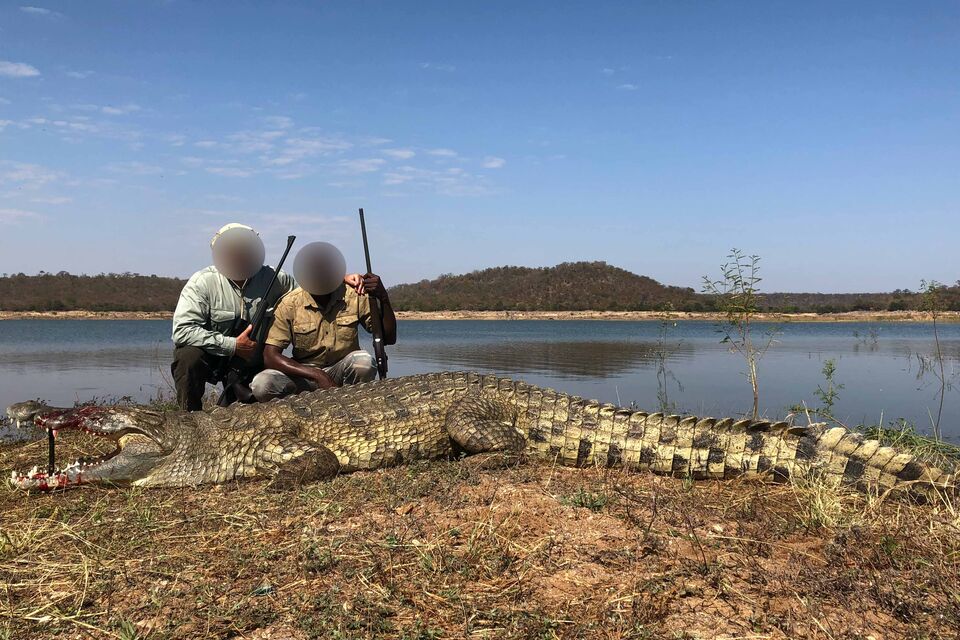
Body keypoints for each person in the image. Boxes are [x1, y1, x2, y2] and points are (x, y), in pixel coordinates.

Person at [171, 224, 362, 411]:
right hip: (214, 354)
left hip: (252, 357)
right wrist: (233, 345)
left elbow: (310, 288)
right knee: (188, 356)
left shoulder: (275, 277)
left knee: (254, 400)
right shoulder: (202, 282)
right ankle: (188, 418)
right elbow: (182, 331)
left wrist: (336, 277)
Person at [249, 241, 397, 401]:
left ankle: (352, 404)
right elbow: (270, 356)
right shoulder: (289, 303)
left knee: (364, 362)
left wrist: (383, 297)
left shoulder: (354, 295)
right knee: (262, 384)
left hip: (342, 370)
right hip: (304, 374)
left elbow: (388, 338)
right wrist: (316, 375)